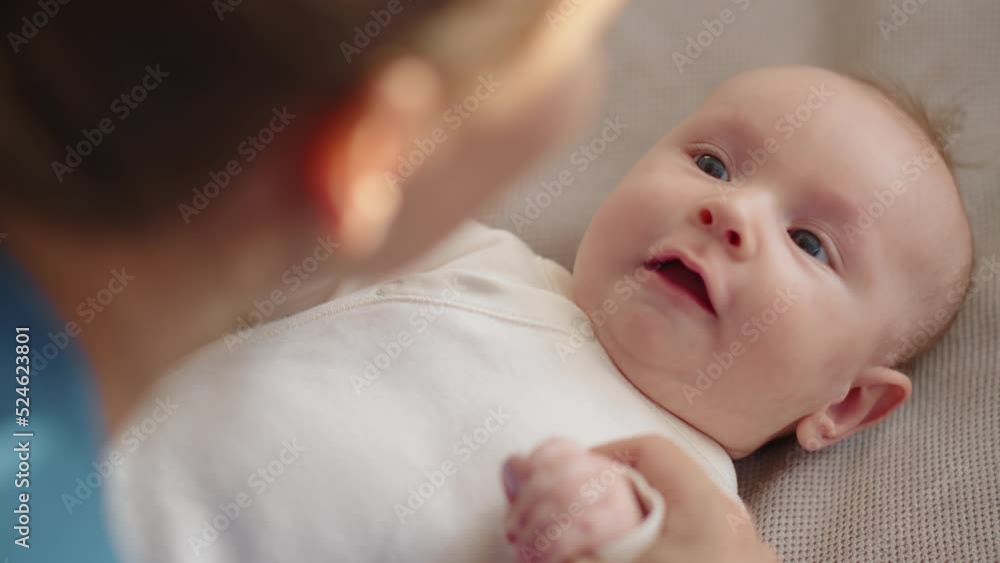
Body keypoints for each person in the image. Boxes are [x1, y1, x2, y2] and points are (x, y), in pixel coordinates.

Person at [104, 66, 972, 563]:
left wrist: (614, 538)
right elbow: (288, 242)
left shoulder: (691, 504)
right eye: (712, 162)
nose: (731, 212)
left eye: (811, 243)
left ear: (845, 405)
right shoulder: (475, 255)